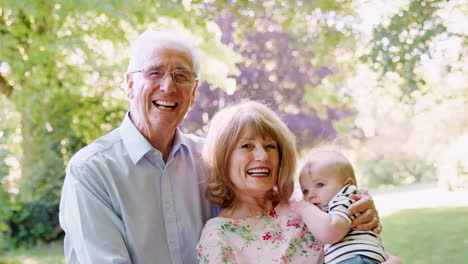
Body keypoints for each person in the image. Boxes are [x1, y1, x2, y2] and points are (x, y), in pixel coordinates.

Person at [59, 30, 212, 264]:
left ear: (193, 92)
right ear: (130, 84)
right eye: (155, 73)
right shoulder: (90, 171)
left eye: (181, 76)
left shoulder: (212, 161)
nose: (168, 86)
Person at [197, 101, 398, 263]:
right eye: (247, 146)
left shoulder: (308, 199)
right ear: (223, 158)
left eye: (270, 146)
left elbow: (361, 246)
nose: (262, 156)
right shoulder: (219, 237)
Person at [292, 150, 386, 264]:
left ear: (347, 185)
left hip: (355, 258)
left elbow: (332, 231)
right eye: (305, 191)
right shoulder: (327, 206)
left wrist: (303, 208)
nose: (311, 195)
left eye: (319, 185)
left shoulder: (346, 197)